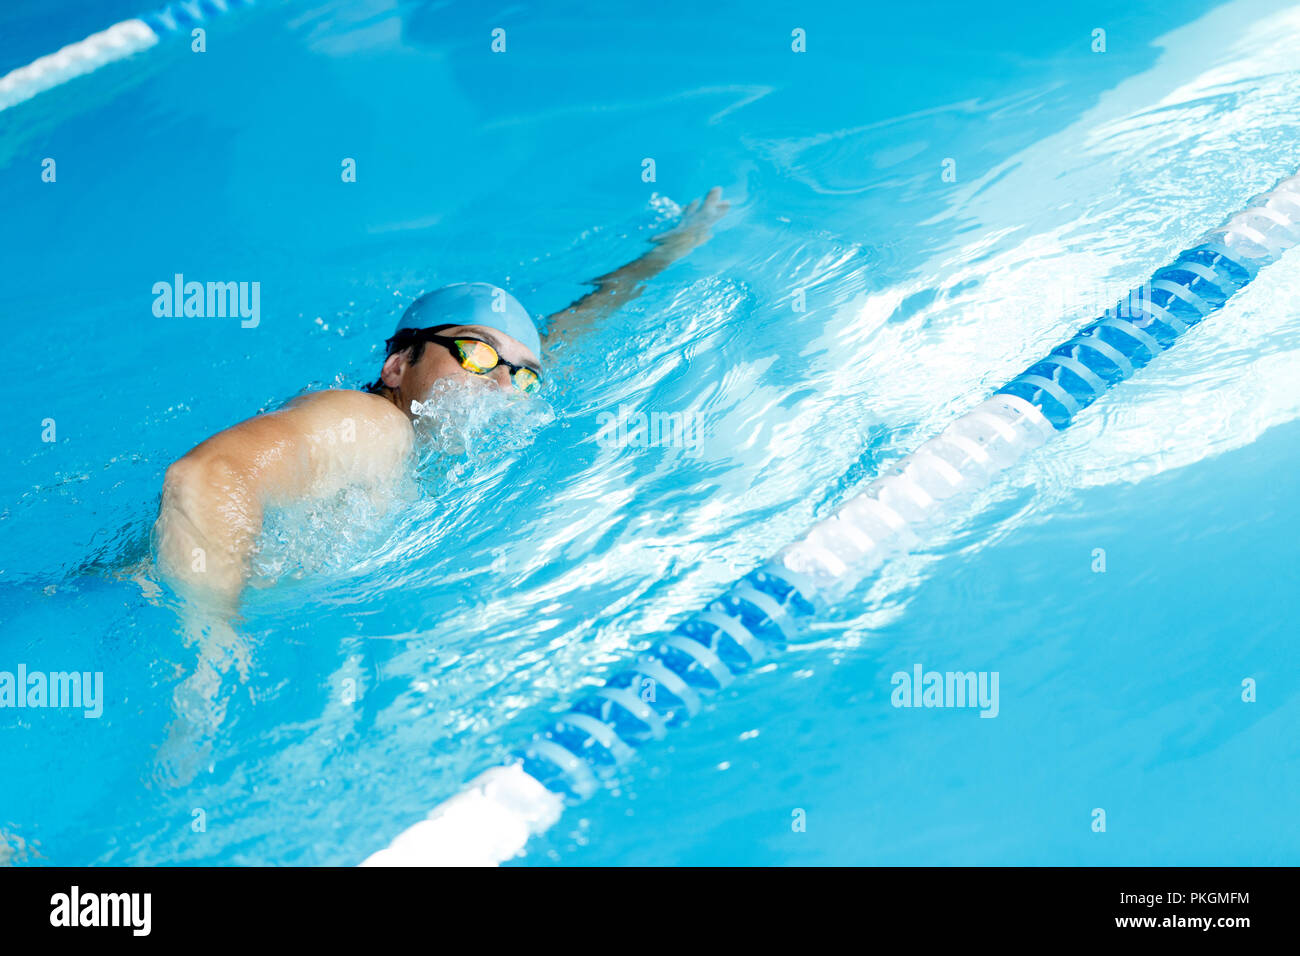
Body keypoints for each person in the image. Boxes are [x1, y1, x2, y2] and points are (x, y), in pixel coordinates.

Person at [152, 188, 730, 609]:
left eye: (522, 376)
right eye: (477, 355)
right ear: (398, 365)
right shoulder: (372, 425)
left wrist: (669, 250)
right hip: (147, 600)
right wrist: (214, 645)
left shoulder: (448, 424)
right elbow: (206, 477)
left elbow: (568, 331)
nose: (501, 385)